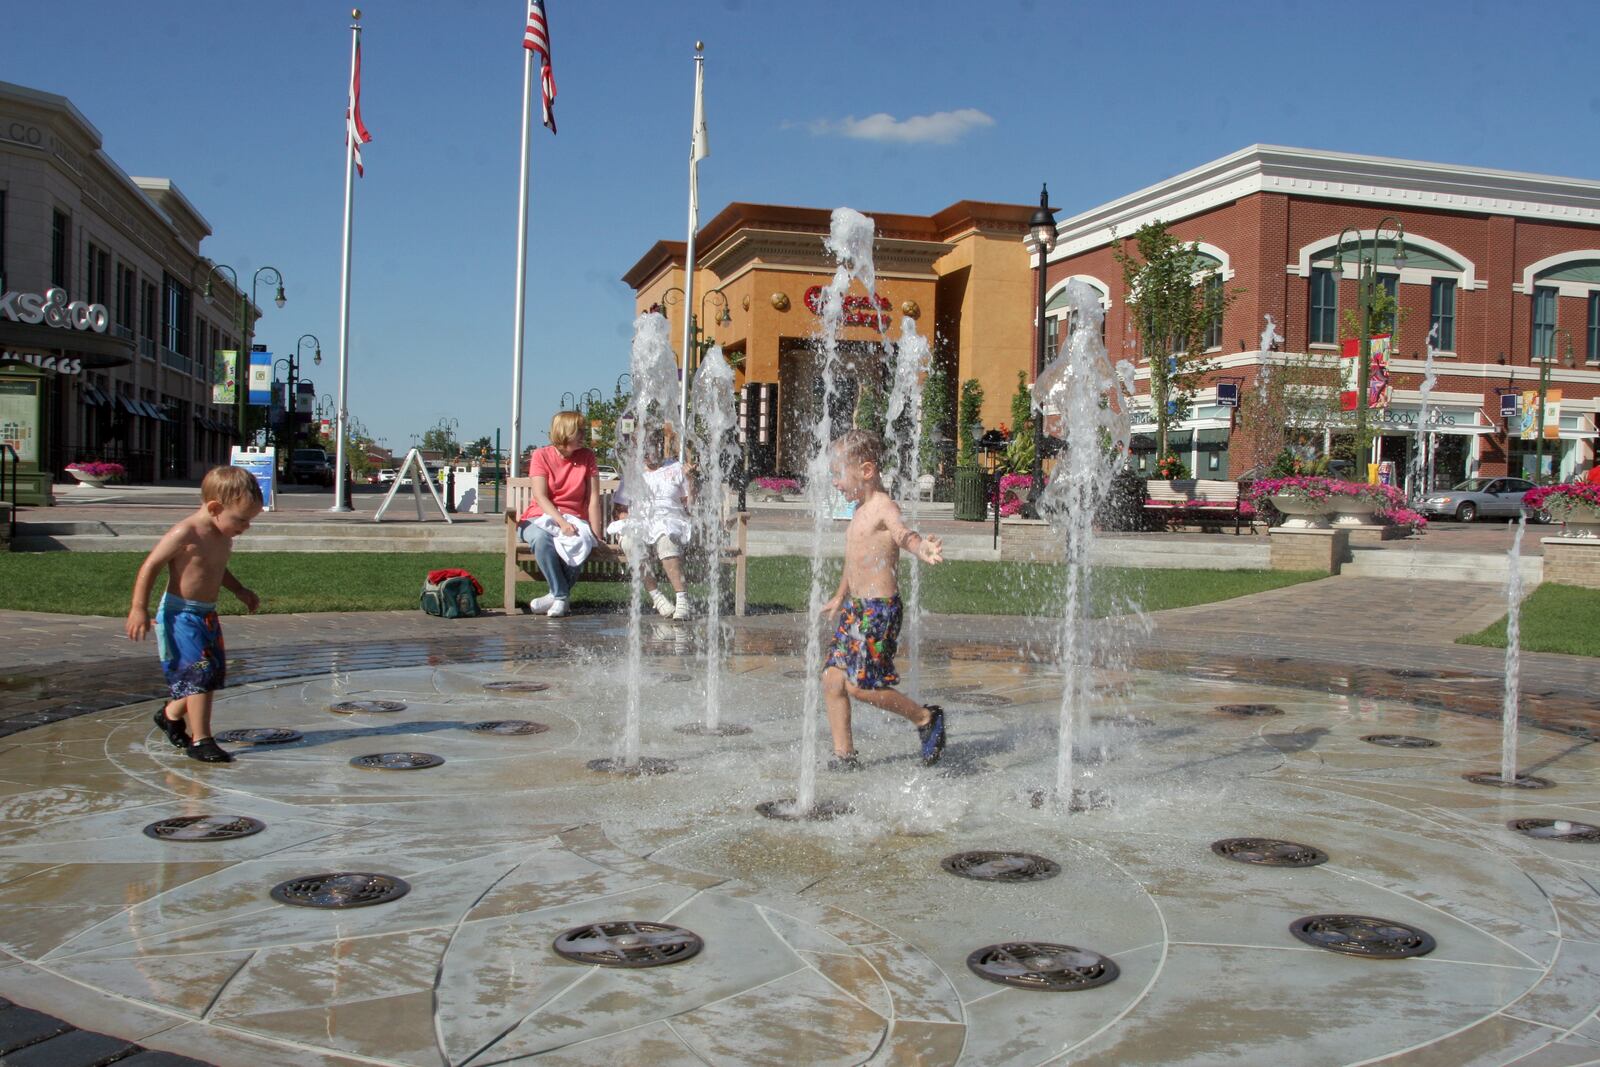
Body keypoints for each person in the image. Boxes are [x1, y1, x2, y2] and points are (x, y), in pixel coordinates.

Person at [820, 429, 946, 770]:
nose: (835, 482)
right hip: (855, 608)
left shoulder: (883, 506)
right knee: (832, 679)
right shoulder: (858, 510)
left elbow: (903, 535)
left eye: (838, 473)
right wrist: (839, 595)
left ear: (866, 470)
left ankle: (925, 718)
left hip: (878, 611)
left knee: (862, 687)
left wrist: (923, 548)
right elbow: (855, 558)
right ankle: (844, 756)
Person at [124, 466, 264, 763]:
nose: (246, 527)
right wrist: (139, 607)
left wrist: (238, 589)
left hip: (206, 615)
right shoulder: (185, 532)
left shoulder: (221, 534)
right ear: (214, 508)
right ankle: (201, 740)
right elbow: (150, 566)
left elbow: (215, 568)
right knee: (199, 676)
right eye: (241, 520)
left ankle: (170, 715)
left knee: (208, 674)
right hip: (180, 615)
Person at [517, 410, 603, 617]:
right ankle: (562, 596)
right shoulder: (541, 455)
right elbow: (540, 496)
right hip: (540, 517)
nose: (583, 435)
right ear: (565, 432)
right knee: (541, 538)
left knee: (581, 540)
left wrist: (596, 535)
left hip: (574, 518)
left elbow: (593, 499)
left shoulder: (587, 456)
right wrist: (561, 523)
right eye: (579, 431)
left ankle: (554, 597)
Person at [611, 426, 695, 620]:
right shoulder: (633, 474)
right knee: (631, 541)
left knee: (666, 540)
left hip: (670, 520)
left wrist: (690, 480)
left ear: (659, 446)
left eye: (649, 448)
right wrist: (626, 520)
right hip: (643, 522)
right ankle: (656, 597)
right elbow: (620, 509)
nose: (646, 454)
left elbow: (689, 506)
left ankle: (682, 599)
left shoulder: (675, 468)